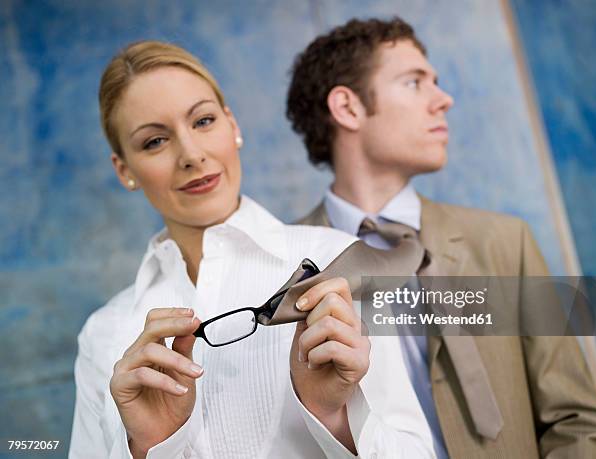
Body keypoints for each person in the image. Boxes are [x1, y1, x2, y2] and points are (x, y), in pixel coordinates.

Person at [68, 40, 435, 458]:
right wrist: (147, 447)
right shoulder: (104, 334)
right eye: (154, 142)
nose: (191, 155)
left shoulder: (339, 265)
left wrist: (332, 417)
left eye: (203, 121)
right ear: (125, 170)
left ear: (232, 125)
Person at [286, 17, 596, 458]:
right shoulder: (284, 271)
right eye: (414, 82)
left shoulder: (504, 243)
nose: (444, 100)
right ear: (348, 108)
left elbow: (579, 421)